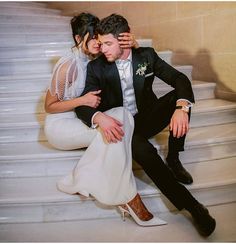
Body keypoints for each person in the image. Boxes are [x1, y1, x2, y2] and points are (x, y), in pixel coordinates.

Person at [75, 14, 216, 237]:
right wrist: (99, 118)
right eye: (101, 44)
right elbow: (83, 106)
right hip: (125, 128)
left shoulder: (146, 56)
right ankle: (193, 207)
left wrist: (182, 108)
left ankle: (174, 157)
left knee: (179, 99)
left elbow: (180, 79)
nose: (103, 49)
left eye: (108, 43)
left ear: (124, 39)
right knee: (145, 152)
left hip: (147, 116)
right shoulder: (97, 68)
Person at [44, 12, 166, 227]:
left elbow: (123, 60)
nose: (99, 44)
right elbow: (50, 106)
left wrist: (133, 46)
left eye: (100, 40)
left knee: (121, 117)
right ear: (78, 39)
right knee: (120, 127)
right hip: (61, 126)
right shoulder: (68, 66)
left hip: (79, 119)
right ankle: (128, 198)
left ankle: (81, 176)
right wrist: (81, 101)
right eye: (93, 39)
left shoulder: (92, 60)